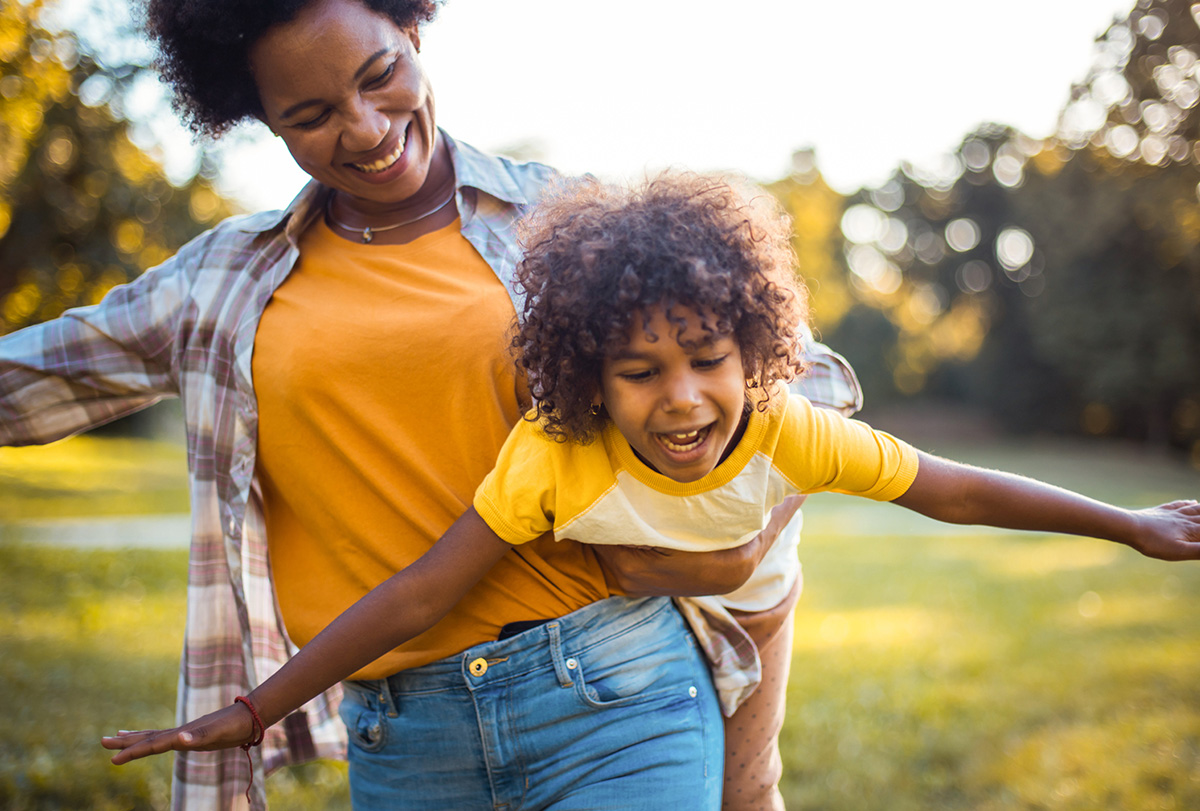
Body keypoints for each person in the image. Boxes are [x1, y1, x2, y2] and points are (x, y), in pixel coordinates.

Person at [0, 1, 861, 808]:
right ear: (259, 119)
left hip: (614, 690)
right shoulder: (218, 282)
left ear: (415, 29)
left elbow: (808, 382)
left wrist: (726, 534)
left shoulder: (564, 220)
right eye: (311, 115)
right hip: (402, 738)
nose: (367, 128)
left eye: (380, 74)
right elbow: (29, 379)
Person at [102, 174, 1200, 804]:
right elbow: (422, 591)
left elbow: (948, 488)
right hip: (626, 612)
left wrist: (1131, 523)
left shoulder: (785, 428)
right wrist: (256, 707)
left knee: (749, 791)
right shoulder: (551, 454)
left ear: (754, 347)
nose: (682, 399)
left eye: (707, 356)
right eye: (639, 372)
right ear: (588, 375)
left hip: (751, 601)